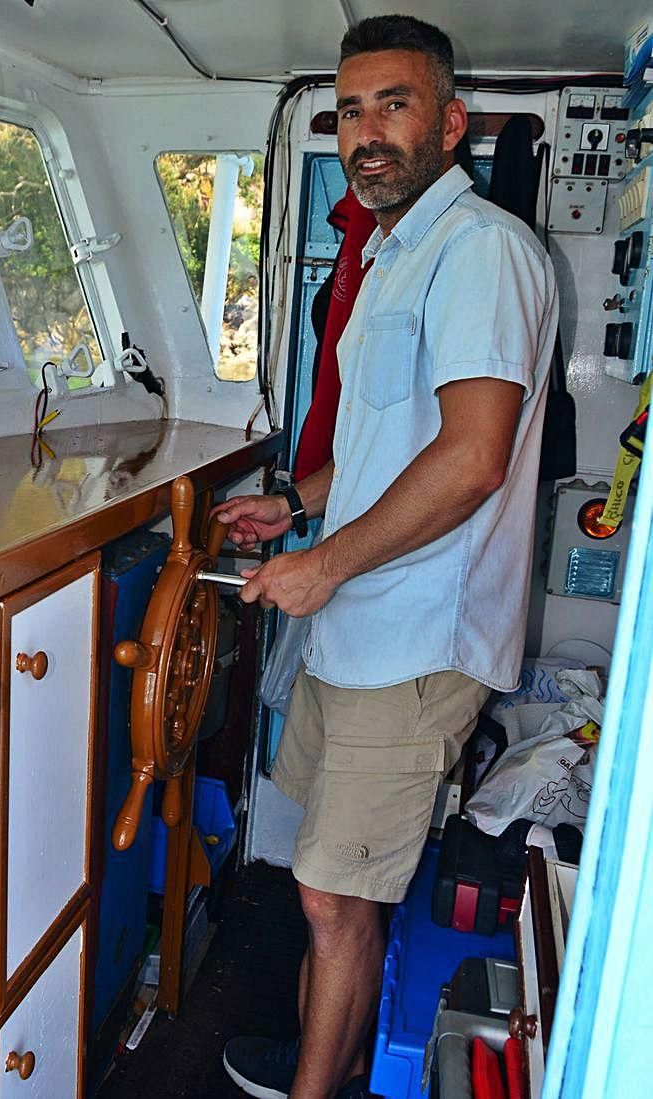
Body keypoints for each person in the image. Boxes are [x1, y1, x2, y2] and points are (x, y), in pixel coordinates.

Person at [220, 14, 558, 1099]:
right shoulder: (390, 257)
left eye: (393, 104)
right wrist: (292, 506)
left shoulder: (481, 255)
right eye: (349, 108)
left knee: (329, 895)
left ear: (449, 122)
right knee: (337, 892)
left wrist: (323, 567)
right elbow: (383, 447)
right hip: (356, 626)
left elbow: (468, 461)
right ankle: (337, 1048)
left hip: (414, 637)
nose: (365, 132)